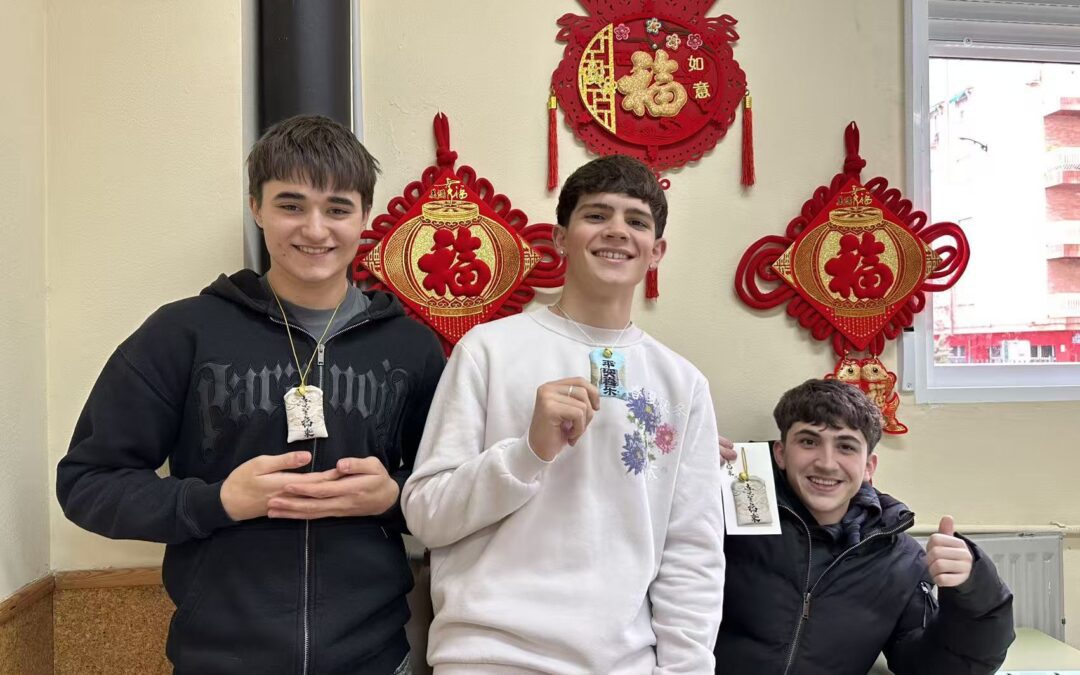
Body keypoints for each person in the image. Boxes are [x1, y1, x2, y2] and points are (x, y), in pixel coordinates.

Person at [56, 114, 445, 674]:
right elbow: (87, 483)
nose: (315, 229)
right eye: (291, 205)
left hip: (376, 658)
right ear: (256, 207)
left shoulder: (411, 346)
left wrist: (394, 497)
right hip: (218, 659)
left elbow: (450, 487)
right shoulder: (182, 333)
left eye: (337, 209)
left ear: (365, 217)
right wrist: (217, 502)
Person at [401, 155, 725, 673]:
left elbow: (692, 552)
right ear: (560, 239)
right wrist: (528, 453)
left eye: (636, 221)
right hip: (489, 657)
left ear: (656, 252)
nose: (616, 230)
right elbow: (426, 515)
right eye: (596, 215)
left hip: (623, 663)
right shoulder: (487, 350)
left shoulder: (683, 384)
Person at [715, 378, 1014, 674]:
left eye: (846, 447)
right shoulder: (722, 513)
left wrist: (975, 592)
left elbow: (932, 668)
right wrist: (687, 479)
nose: (826, 463)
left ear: (869, 467)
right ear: (781, 453)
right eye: (808, 441)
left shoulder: (900, 560)